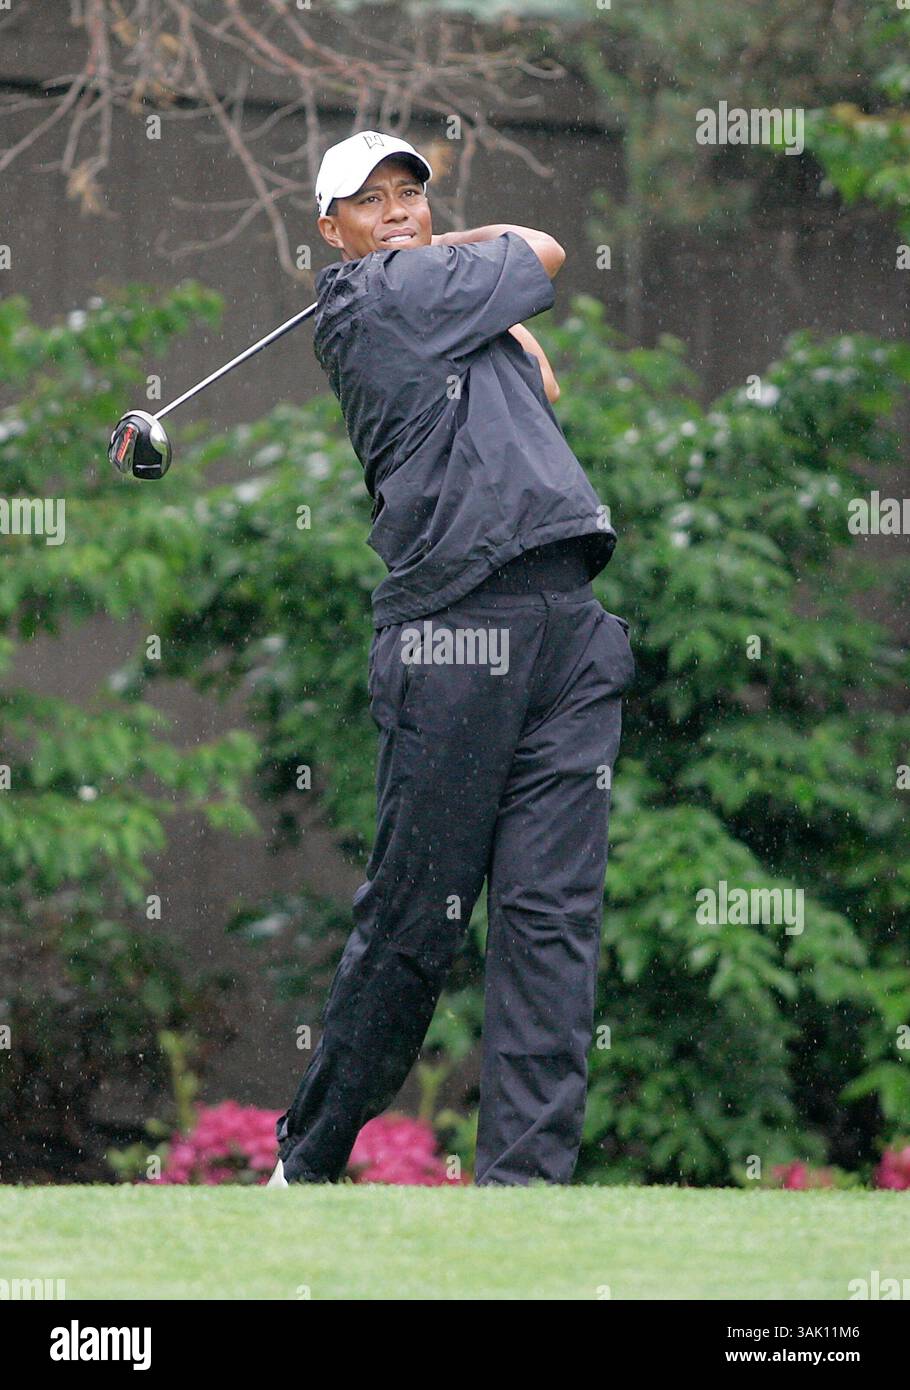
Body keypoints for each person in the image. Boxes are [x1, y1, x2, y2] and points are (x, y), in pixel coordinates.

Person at [270, 130, 634, 1188]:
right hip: (453, 626)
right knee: (412, 921)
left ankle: (524, 1192)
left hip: (568, 626)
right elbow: (544, 246)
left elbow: (538, 380)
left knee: (551, 919)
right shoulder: (365, 299)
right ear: (331, 231)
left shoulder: (443, 302)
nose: (397, 211)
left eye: (410, 194)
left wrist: (482, 300)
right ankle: (308, 1160)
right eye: (369, 201)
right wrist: (466, 269)